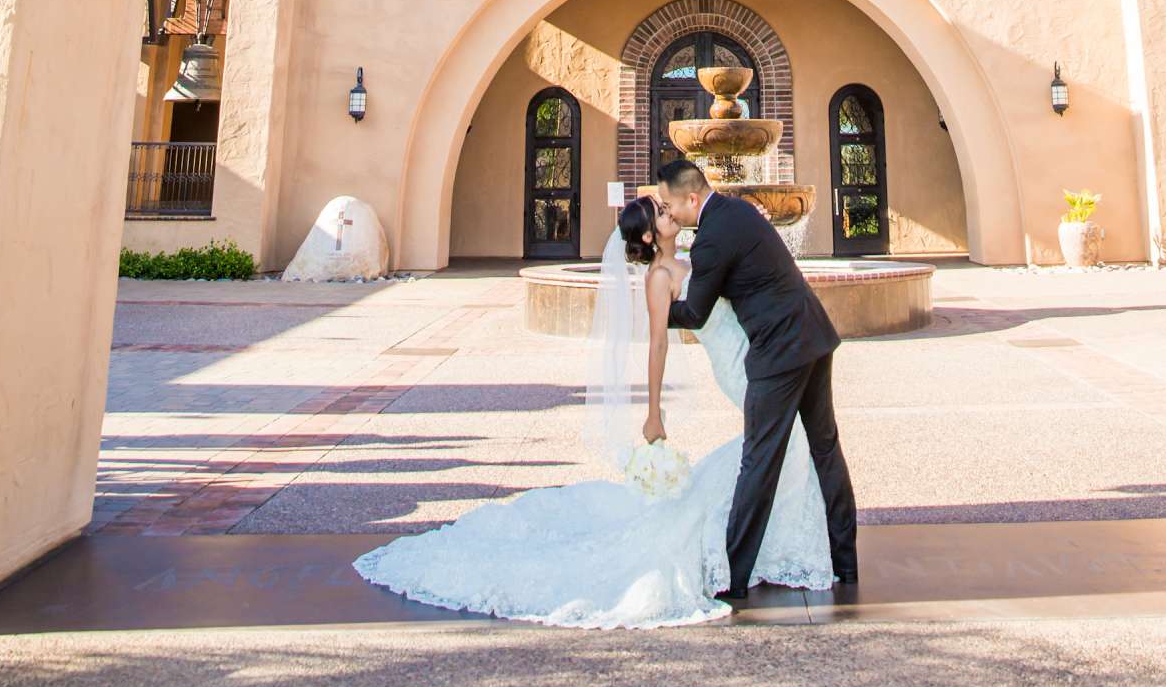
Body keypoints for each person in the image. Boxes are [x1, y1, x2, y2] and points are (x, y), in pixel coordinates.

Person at [353, 189, 835, 628]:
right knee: (779, 447)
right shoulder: (659, 277)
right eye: (662, 213)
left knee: (779, 447)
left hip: (756, 353)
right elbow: (657, 347)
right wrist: (653, 412)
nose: (671, 213)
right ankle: (754, 551)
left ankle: (764, 546)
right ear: (648, 236)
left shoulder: (692, 255)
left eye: (669, 207)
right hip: (740, 364)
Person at [659, 156, 858, 601]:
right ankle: (846, 561)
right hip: (813, 335)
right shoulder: (738, 210)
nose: (669, 213)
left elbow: (695, 312)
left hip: (780, 354)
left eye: (671, 204)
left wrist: (653, 314)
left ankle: (735, 574)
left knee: (759, 460)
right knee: (825, 448)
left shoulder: (710, 239)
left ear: (692, 198)